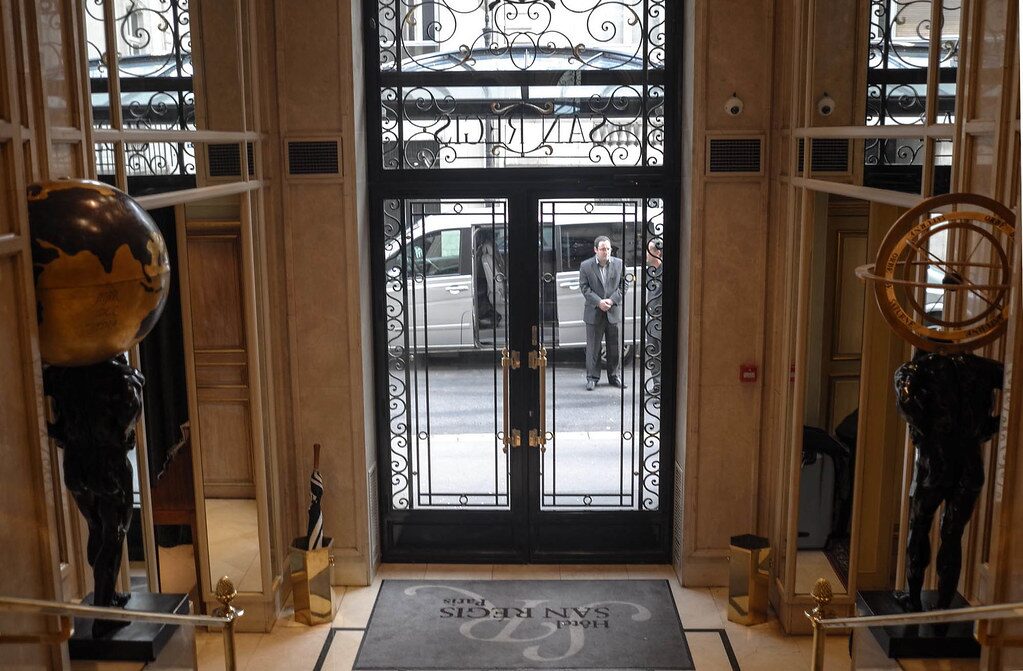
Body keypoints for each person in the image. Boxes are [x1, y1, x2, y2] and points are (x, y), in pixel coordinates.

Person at [579, 235, 625, 390]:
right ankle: (592, 378)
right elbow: (584, 288)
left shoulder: (619, 264)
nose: (606, 252)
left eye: (608, 249)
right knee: (593, 347)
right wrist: (599, 302)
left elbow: (623, 285)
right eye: (602, 249)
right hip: (594, 312)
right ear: (595, 250)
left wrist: (611, 301)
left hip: (612, 311)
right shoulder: (586, 266)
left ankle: (614, 376)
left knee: (614, 346)